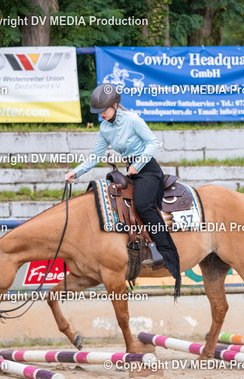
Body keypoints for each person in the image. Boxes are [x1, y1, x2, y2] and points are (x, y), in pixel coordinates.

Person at [64, 83, 181, 289]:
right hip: (131, 171)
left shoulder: (133, 120)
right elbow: (96, 156)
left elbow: (153, 142)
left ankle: (164, 253)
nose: (101, 114)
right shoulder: (104, 128)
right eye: (99, 111)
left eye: (104, 110)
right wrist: (77, 171)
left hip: (148, 169)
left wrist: (137, 164)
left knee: (143, 205)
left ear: (115, 105)